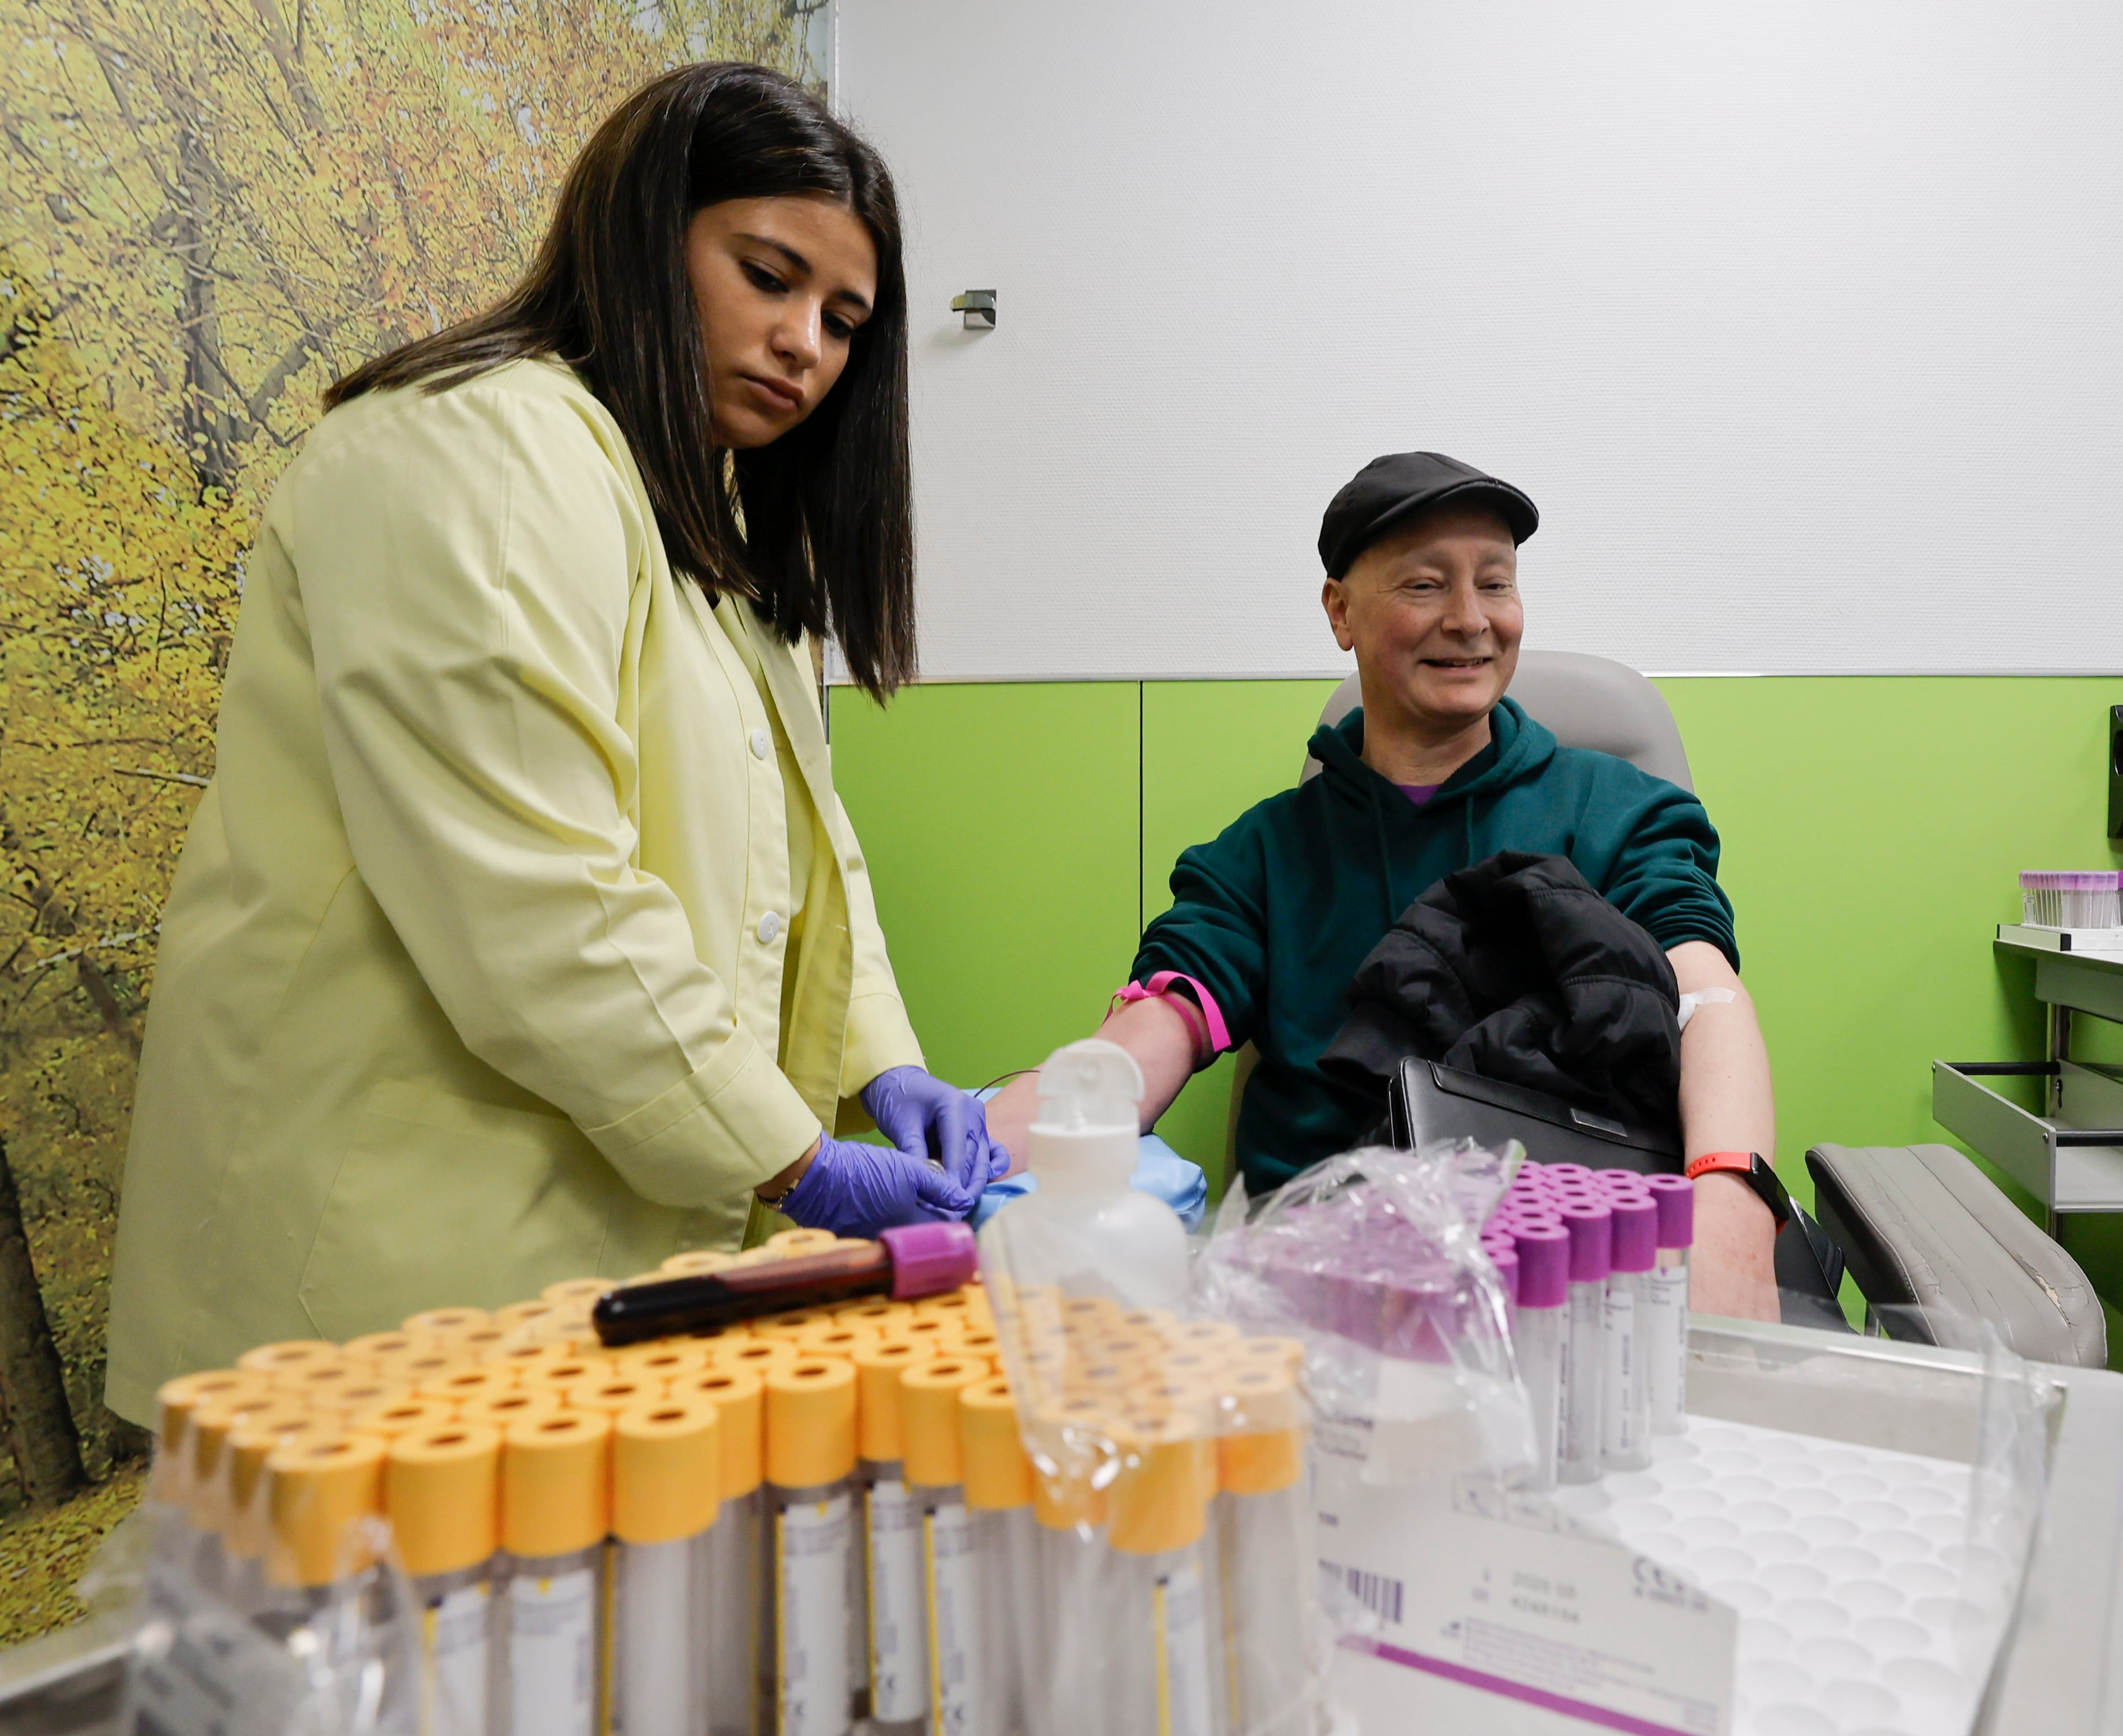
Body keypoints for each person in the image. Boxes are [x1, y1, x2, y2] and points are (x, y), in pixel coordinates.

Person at [104, 65, 1004, 1416]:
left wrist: (885, 1059)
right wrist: (794, 1157)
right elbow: (538, 893)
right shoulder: (480, 448)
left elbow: (810, 839)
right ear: (644, 233)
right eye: (767, 275)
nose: (805, 344)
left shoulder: (698, 518)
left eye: (843, 319)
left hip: (571, 1249)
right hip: (383, 1269)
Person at [986, 453, 1785, 1319]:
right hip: (1321, 1305)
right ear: (1341, 611)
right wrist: (981, 1146)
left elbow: (1704, 994)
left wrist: (1731, 1200)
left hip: (1571, 1293)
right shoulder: (1262, 856)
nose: (1471, 620)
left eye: (1496, 583)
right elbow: (1157, 1023)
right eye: (1423, 585)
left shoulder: (1621, 812)